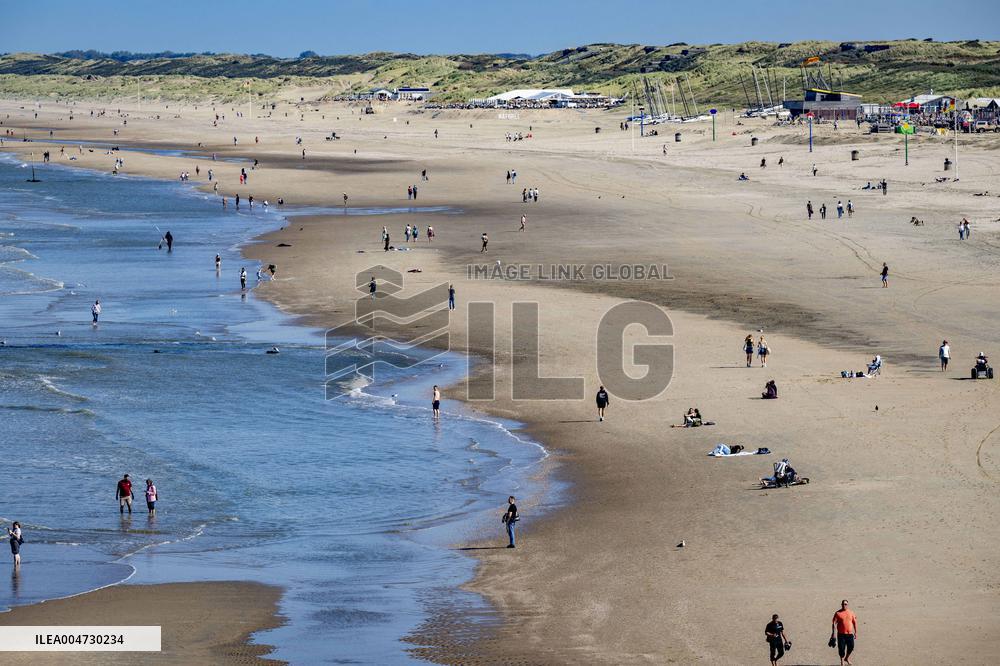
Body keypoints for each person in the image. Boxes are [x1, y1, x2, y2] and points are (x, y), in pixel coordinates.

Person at [831, 599, 858, 666]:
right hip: (841, 635)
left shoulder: (851, 612)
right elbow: (834, 624)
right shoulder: (838, 613)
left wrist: (856, 632)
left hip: (850, 634)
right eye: (843, 604)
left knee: (851, 647)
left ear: (847, 605)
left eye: (845, 604)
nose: (844, 605)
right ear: (841, 605)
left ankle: (846, 658)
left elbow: (854, 623)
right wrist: (833, 634)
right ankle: (842, 661)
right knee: (841, 649)